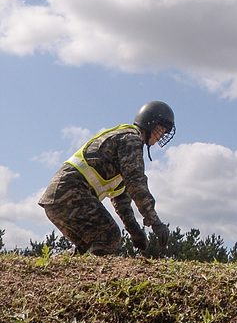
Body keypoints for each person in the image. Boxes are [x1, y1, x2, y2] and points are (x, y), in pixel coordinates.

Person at [38, 101, 175, 256]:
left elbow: (121, 200)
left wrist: (135, 232)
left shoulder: (125, 144)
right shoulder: (131, 140)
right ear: (150, 122)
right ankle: (90, 277)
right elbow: (136, 185)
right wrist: (155, 222)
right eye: (162, 128)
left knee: (88, 245)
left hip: (57, 198)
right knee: (110, 238)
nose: (162, 135)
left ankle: (55, 268)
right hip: (69, 191)